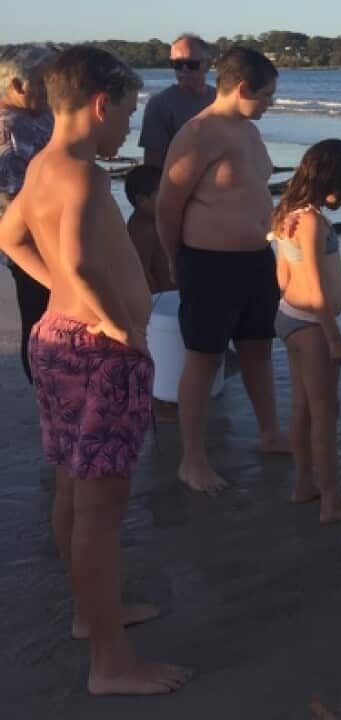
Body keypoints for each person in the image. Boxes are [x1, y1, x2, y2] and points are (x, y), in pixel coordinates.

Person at [0, 45, 192, 696]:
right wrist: (115, 324)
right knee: (101, 511)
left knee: (71, 491)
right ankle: (111, 662)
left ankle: (91, 616)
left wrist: (62, 293)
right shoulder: (85, 174)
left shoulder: (44, 165)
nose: (130, 129)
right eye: (130, 113)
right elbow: (81, 262)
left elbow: (9, 237)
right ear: (100, 103)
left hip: (53, 339)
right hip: (99, 356)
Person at [157, 47, 287, 495]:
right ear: (243, 88)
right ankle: (192, 460)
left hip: (255, 260)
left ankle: (270, 432)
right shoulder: (199, 133)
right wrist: (176, 260)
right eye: (267, 95)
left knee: (257, 348)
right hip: (209, 263)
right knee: (204, 358)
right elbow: (168, 205)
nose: (271, 103)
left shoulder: (248, 130)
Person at [269, 139, 341, 523]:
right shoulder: (309, 222)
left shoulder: (288, 213)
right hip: (312, 323)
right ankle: (332, 501)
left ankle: (303, 484)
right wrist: (334, 337)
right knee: (325, 412)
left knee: (303, 407)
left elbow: (283, 276)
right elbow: (313, 285)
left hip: (290, 317)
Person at [0, 44, 55, 383]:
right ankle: (46, 395)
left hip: (59, 239)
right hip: (32, 247)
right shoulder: (7, 131)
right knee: (40, 325)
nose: (51, 88)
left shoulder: (42, 114)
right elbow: (19, 200)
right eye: (43, 81)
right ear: (18, 85)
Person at [139, 34, 216, 168]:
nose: (184, 70)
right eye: (177, 64)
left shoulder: (221, 100)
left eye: (192, 64)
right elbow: (153, 164)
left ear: (208, 65)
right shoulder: (160, 104)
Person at [123, 165, 174, 294]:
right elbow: (140, 273)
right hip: (160, 300)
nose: (170, 199)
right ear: (142, 201)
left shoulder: (152, 222)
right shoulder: (143, 229)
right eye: (163, 194)